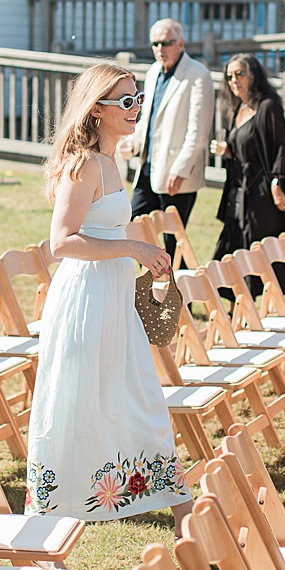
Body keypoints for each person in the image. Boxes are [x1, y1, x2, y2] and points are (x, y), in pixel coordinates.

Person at [23, 63, 189, 523]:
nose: (135, 108)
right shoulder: (85, 166)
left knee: (142, 399)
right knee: (76, 410)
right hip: (86, 301)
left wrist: (140, 254)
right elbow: (61, 242)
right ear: (97, 110)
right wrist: (133, 246)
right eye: (126, 101)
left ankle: (189, 529)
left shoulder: (112, 161)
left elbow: (103, 227)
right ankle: (45, 536)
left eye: (138, 99)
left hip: (114, 299)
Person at [124, 18, 215, 259]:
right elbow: (147, 119)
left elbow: (198, 130)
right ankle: (149, 293)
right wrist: (132, 143)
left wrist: (181, 169)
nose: (160, 49)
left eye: (166, 43)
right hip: (148, 168)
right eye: (155, 44)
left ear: (181, 43)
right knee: (133, 229)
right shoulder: (153, 72)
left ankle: (182, 295)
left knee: (173, 243)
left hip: (177, 175)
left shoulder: (198, 75)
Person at [210, 52, 285, 292]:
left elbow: (282, 146)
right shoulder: (238, 109)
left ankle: (271, 305)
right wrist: (227, 149)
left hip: (261, 195)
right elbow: (244, 150)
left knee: (266, 252)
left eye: (240, 74)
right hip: (239, 194)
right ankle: (235, 304)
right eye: (229, 76)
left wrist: (278, 182)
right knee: (230, 249)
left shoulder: (267, 107)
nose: (234, 81)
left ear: (254, 75)